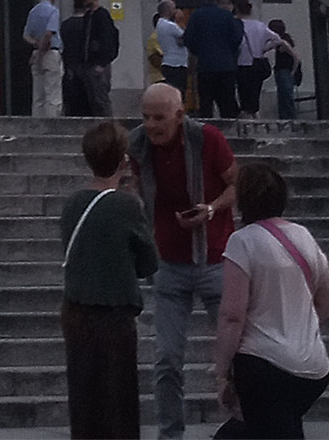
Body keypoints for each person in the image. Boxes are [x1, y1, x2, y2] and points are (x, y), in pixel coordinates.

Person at [126, 82, 239, 440]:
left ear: (179, 115)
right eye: (145, 117)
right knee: (167, 358)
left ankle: (244, 424)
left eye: (159, 118)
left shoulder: (207, 139)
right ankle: (170, 434)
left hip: (216, 257)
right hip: (169, 262)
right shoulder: (138, 144)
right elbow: (130, 188)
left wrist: (210, 208)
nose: (152, 125)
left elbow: (237, 185)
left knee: (238, 353)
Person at [211, 162, 329, 438]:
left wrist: (222, 372)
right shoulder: (302, 235)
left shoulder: (242, 242)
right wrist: (298, 324)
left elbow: (233, 315)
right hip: (313, 367)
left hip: (263, 364)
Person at [57, 119, 158, 439]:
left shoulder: (73, 202)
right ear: (122, 158)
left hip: (75, 309)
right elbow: (148, 263)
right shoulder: (126, 205)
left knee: (84, 397)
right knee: (118, 400)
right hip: (114, 312)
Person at [183, 0, 245, 120]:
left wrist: (198, 51)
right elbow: (237, 39)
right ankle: (228, 134)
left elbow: (188, 38)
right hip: (226, 66)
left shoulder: (197, 15)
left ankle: (207, 134)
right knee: (227, 103)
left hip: (205, 66)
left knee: (206, 103)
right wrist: (229, 53)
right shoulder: (227, 16)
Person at [80, 0, 120, 117]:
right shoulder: (87, 17)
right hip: (88, 63)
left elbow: (109, 40)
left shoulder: (103, 16)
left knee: (101, 98)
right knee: (92, 99)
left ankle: (108, 127)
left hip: (98, 64)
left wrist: (102, 62)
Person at [25, 0, 64, 119]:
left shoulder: (33, 11)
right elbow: (49, 33)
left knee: (38, 95)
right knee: (53, 93)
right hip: (50, 53)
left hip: (36, 53)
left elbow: (26, 35)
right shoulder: (53, 11)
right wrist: (41, 51)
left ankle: (37, 123)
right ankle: (52, 123)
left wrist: (36, 46)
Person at [236, 0, 275, 117]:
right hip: (257, 62)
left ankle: (246, 117)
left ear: (237, 9)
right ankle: (254, 116)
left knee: (243, 92)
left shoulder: (237, 24)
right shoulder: (259, 25)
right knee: (255, 92)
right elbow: (277, 39)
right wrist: (264, 48)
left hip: (242, 62)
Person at [62, 0, 96, 116]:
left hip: (70, 67)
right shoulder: (89, 25)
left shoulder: (65, 25)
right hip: (87, 67)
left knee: (72, 102)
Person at [265, 21, 301, 120]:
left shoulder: (283, 42)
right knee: (284, 97)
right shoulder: (281, 41)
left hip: (285, 71)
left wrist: (292, 72)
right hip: (283, 71)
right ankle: (287, 119)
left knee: (286, 98)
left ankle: (289, 119)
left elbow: (296, 58)